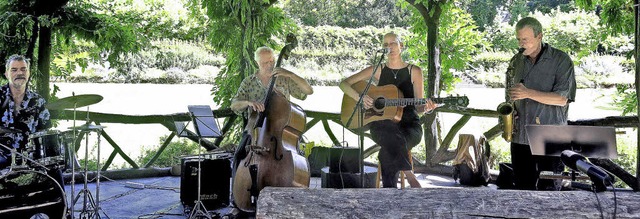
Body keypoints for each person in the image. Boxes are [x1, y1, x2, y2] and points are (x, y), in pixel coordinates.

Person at [339, 32, 437, 188]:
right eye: (385, 44)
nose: (389, 47)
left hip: (409, 126)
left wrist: (428, 108)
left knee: (387, 151)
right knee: (387, 128)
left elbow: (418, 108)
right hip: (382, 125)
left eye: (393, 43)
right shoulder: (378, 70)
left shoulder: (415, 71)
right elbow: (344, 84)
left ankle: (388, 193)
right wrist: (359, 97)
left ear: (401, 46)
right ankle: (410, 174)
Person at [507, 17, 576, 190]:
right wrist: (510, 111)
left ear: (539, 36)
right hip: (520, 138)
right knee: (521, 191)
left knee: (550, 192)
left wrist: (527, 93)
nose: (521, 44)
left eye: (525, 39)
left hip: (550, 138)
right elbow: (511, 94)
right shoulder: (516, 61)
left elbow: (562, 99)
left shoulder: (561, 60)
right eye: (518, 39)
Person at [230, 46, 313, 175]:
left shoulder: (284, 79)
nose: (269, 65)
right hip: (255, 132)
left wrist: (291, 74)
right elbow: (234, 105)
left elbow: (308, 91)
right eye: (265, 63)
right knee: (238, 157)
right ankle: (237, 194)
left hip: (281, 133)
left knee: (296, 160)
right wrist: (248, 103)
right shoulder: (249, 82)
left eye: (271, 61)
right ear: (257, 63)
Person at [0, 55, 59, 183]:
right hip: (2, 154)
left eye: (23, 69)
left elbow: (45, 132)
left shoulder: (37, 101)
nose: (19, 73)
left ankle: (61, 202)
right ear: (6, 73)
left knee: (55, 170)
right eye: (14, 70)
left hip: (30, 156)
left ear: (28, 73)